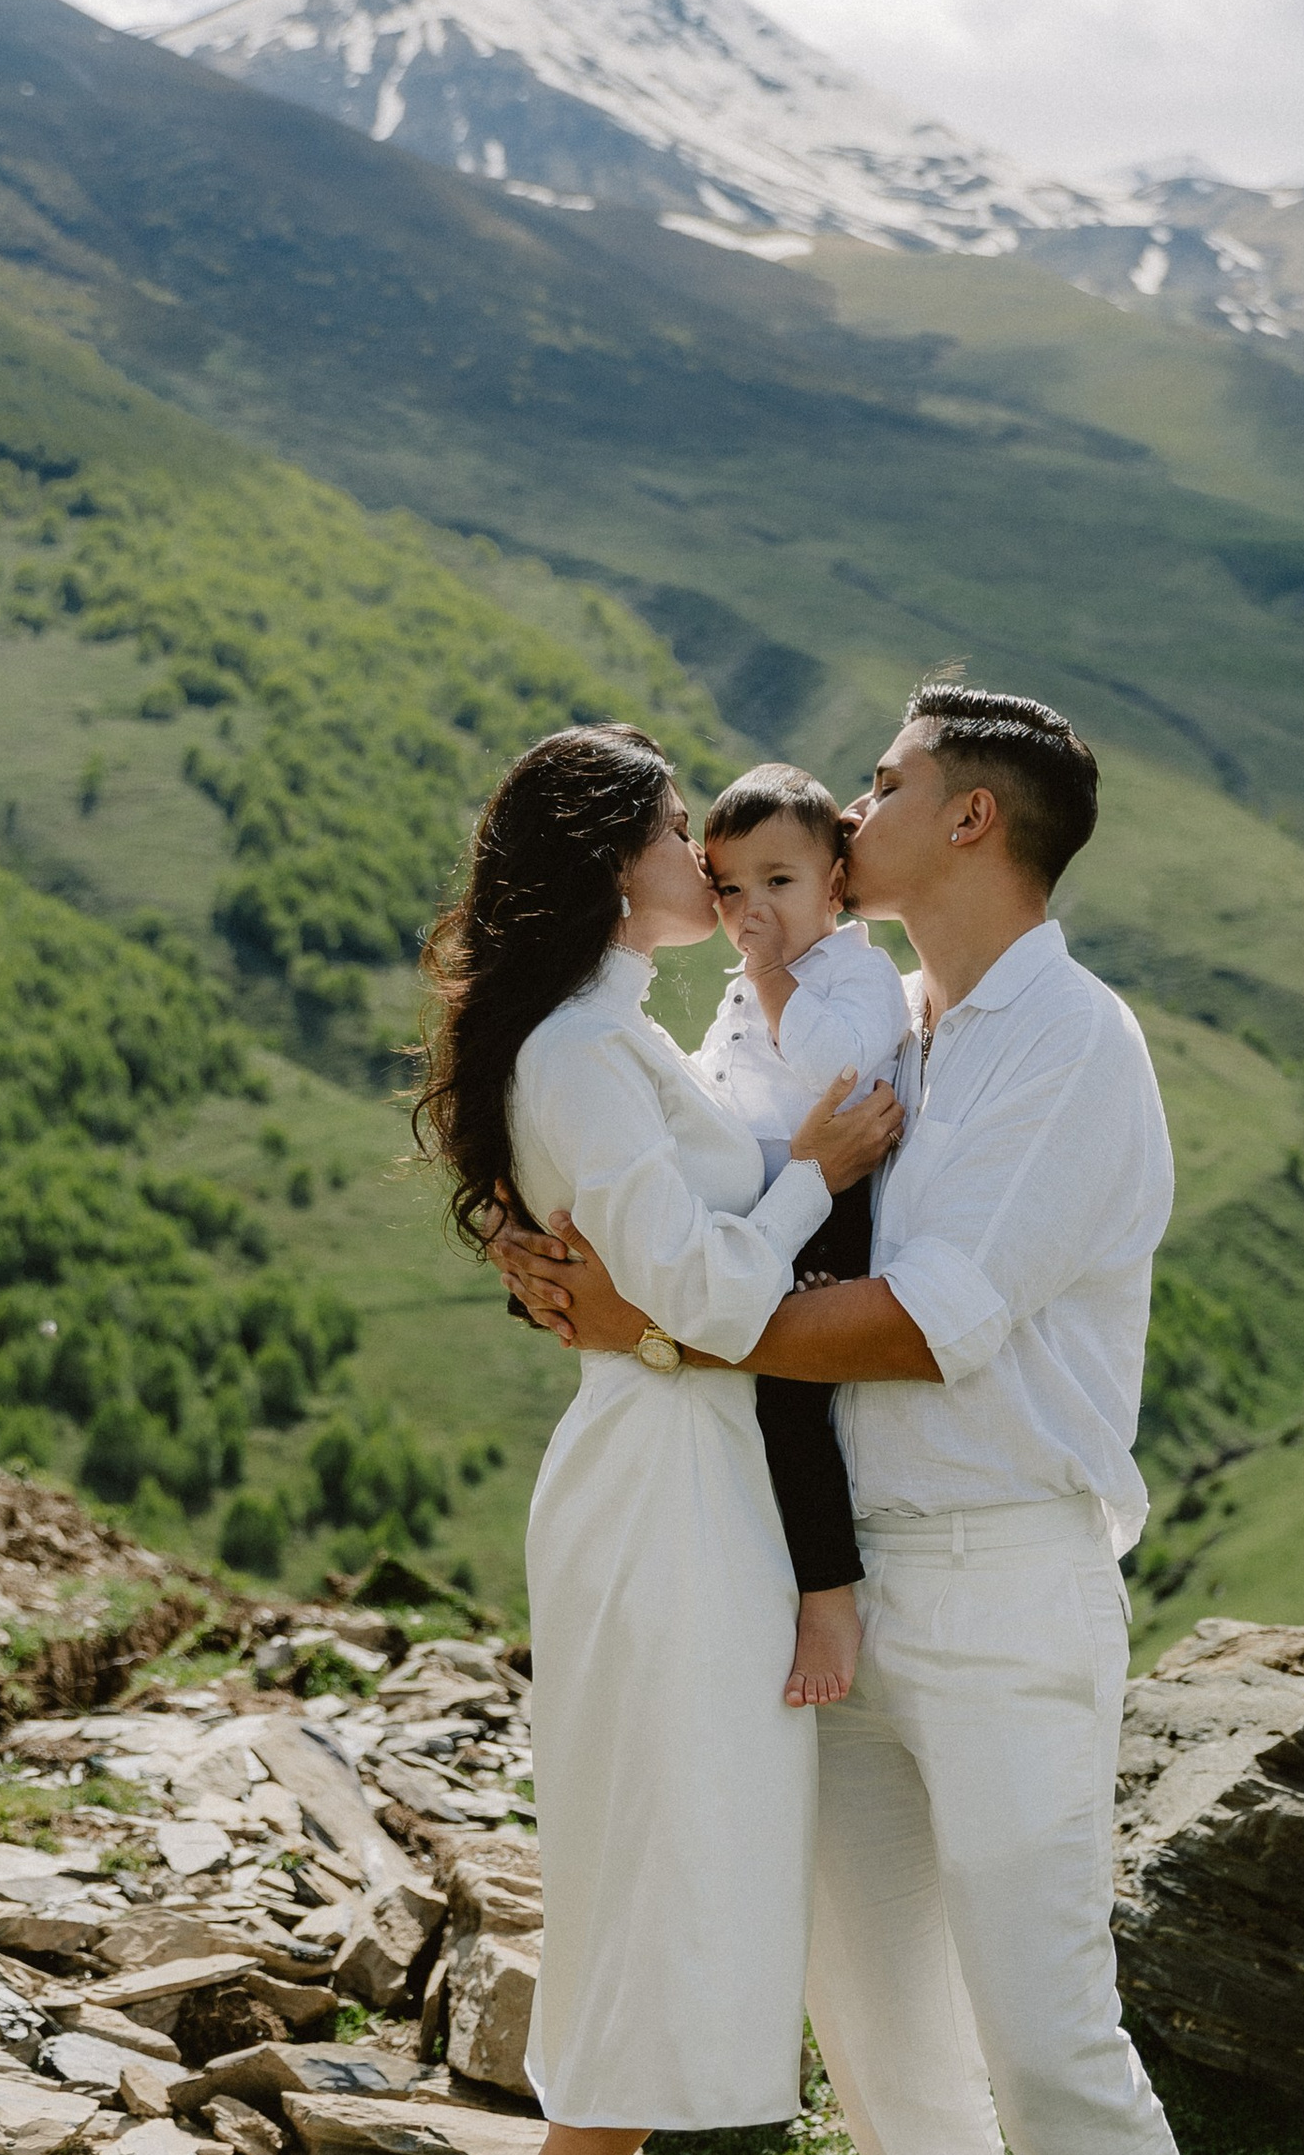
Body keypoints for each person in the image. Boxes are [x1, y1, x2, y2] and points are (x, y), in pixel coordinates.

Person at [495, 681, 1184, 2155]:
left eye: (884, 782)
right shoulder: (886, 1024)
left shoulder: (1069, 1041)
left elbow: (919, 1328)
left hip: (1000, 1584)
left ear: (973, 817)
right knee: (891, 2070)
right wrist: (532, 1225)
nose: (851, 811)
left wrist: (649, 1327)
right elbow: (680, 1183)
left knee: (1049, 2045)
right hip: (828, 1589)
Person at [410, 721, 901, 2154]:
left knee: (682, 1880)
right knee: (659, 1888)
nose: (702, 853)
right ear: (614, 865)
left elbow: (672, 1260)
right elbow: (702, 1291)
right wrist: (816, 1174)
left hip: (695, 1472)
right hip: (664, 1491)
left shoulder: (615, 1035)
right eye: (677, 826)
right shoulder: (577, 1050)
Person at [692, 761, 912, 1709]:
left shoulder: (857, 973)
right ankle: (752, 1576)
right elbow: (712, 1082)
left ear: (834, 884)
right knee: (726, 1398)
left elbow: (838, 1067)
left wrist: (774, 976)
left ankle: (828, 1596)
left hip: (829, 1204)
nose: (753, 910)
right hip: (762, 1202)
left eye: (778, 882)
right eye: (730, 889)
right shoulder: (750, 984)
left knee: (789, 1404)